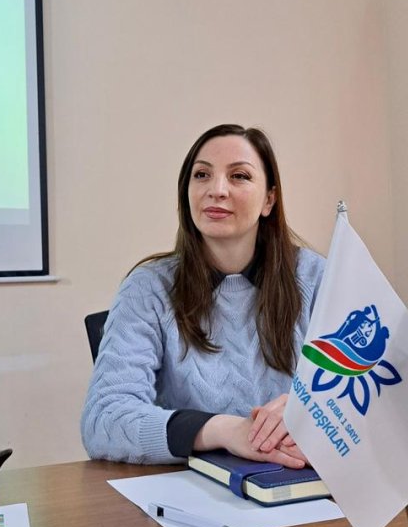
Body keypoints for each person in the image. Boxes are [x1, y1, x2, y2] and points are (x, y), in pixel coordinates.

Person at [81, 123, 325, 466]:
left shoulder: (317, 277)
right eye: (202, 175)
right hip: (190, 485)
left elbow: (380, 400)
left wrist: (314, 411)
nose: (217, 190)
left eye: (239, 176)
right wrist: (225, 430)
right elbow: (103, 420)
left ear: (269, 199)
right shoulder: (148, 288)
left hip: (299, 480)